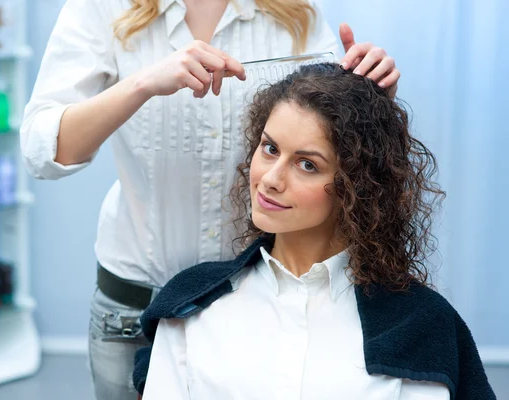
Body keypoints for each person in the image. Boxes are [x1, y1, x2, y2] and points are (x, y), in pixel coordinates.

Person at [21, 0, 401, 398]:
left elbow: (329, 139)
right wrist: (142, 84)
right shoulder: (103, 8)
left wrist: (370, 100)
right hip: (134, 311)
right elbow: (42, 151)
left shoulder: (294, 11)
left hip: (252, 305)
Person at [133, 63, 497, 399]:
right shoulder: (191, 306)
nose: (271, 180)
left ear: (357, 185)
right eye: (270, 148)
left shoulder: (418, 324)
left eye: (307, 164)